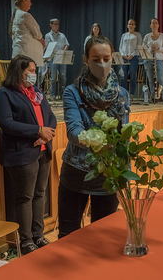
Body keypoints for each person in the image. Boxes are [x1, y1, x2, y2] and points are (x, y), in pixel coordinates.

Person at [58, 36, 130, 238]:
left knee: (103, 237)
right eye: (96, 59)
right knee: (68, 236)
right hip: (76, 173)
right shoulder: (72, 92)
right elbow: (74, 132)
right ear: (85, 60)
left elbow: (123, 137)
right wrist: (105, 143)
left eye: (106, 58)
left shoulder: (122, 93)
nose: (102, 64)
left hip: (108, 176)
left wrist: (125, 173)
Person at [0, 55, 57, 255]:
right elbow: (7, 123)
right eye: (30, 70)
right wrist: (37, 131)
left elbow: (51, 117)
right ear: (19, 71)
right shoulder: (4, 94)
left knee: (40, 194)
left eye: (34, 70)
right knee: (25, 198)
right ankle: (26, 240)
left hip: (42, 150)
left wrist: (46, 136)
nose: (33, 74)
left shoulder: (35, 92)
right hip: (21, 153)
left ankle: (38, 235)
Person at [10, 0, 45, 67]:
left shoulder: (16, 15)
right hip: (27, 54)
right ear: (24, 1)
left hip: (19, 52)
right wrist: (42, 41)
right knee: (29, 77)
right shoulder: (25, 15)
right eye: (29, 1)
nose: (31, 4)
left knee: (20, 76)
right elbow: (37, 34)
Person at [143, 18, 163, 104]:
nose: (154, 25)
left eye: (156, 23)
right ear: (150, 25)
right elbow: (143, 47)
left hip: (159, 60)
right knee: (150, 79)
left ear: (158, 25)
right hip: (149, 59)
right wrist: (150, 49)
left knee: (161, 79)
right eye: (152, 23)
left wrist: (158, 48)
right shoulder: (147, 36)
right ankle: (153, 97)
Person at [44, 18, 70, 100]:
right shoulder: (48, 35)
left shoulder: (62, 35)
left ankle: (63, 95)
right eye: (54, 24)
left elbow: (66, 44)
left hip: (62, 57)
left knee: (63, 76)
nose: (56, 26)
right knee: (53, 78)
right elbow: (46, 47)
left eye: (57, 24)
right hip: (52, 58)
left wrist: (63, 50)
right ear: (51, 25)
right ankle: (52, 95)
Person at [119, 19, 142, 97]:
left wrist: (132, 55)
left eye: (132, 24)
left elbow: (139, 46)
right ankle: (123, 94)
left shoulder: (137, 35)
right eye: (129, 24)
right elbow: (120, 47)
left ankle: (132, 94)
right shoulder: (124, 35)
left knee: (132, 75)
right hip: (124, 58)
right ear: (127, 25)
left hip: (134, 57)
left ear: (135, 26)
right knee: (123, 76)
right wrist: (123, 54)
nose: (131, 25)